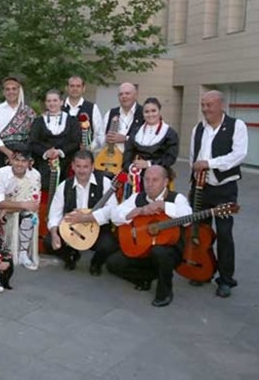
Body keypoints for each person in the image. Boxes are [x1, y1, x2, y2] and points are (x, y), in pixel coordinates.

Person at [106, 165, 192, 307]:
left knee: (159, 251)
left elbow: (188, 218)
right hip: (144, 247)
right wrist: (137, 211)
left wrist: (164, 205)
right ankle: (145, 278)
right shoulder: (137, 197)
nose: (150, 184)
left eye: (155, 180)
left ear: (165, 182)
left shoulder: (176, 198)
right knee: (113, 263)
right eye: (147, 180)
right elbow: (115, 216)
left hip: (169, 250)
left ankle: (165, 292)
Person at [190, 90, 248, 298]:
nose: (205, 109)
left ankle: (225, 279)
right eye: (203, 105)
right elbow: (193, 157)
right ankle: (203, 270)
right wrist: (196, 172)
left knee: (224, 234)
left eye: (209, 105)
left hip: (224, 189)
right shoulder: (198, 128)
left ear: (221, 105)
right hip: (200, 188)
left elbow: (239, 155)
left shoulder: (236, 125)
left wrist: (210, 164)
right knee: (199, 232)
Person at [45, 150, 119, 274]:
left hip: (96, 229)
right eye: (78, 166)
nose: (82, 170)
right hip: (72, 229)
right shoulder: (64, 186)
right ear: (73, 166)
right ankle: (70, 255)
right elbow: (54, 213)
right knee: (48, 242)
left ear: (92, 167)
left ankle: (96, 263)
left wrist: (88, 217)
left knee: (109, 245)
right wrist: (54, 233)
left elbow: (113, 209)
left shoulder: (105, 182)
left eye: (86, 166)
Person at [0, 147, 41, 269]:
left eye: (24, 161)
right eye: (16, 160)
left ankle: (23, 253)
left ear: (30, 162)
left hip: (13, 208)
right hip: (1, 210)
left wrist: (8, 208)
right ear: (10, 160)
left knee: (30, 216)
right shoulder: (1, 173)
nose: (19, 164)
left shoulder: (35, 175)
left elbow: (33, 204)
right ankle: (4, 250)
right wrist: (21, 205)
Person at [123, 97, 179, 195]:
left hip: (158, 179)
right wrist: (130, 168)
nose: (150, 114)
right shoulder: (136, 131)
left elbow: (170, 158)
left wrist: (149, 164)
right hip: (136, 179)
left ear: (159, 111)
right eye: (147, 112)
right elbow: (128, 153)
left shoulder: (170, 133)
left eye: (153, 111)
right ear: (143, 114)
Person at [29, 89, 81, 190]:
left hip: (66, 165)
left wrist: (60, 152)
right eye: (49, 101)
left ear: (61, 102)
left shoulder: (72, 121)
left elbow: (76, 142)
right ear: (45, 103)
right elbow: (32, 142)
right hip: (43, 166)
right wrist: (46, 152)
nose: (52, 103)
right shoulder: (38, 121)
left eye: (55, 100)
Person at [0, 77, 36, 178]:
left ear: (19, 90)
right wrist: (9, 153)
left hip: (23, 156)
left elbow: (33, 136)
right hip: (1, 154)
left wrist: (20, 155)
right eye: (8, 89)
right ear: (3, 92)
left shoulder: (28, 112)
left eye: (14, 89)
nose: (11, 92)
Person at [62, 75, 104, 151]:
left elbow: (100, 135)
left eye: (78, 86)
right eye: (72, 86)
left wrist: (89, 147)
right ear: (67, 88)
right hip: (61, 156)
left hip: (83, 157)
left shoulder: (93, 108)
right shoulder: (59, 107)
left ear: (83, 88)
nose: (75, 89)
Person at [103, 82, 143, 153]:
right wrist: (105, 138)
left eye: (127, 93)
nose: (124, 96)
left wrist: (125, 138)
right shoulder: (110, 113)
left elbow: (148, 139)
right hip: (111, 159)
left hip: (135, 160)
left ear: (135, 95)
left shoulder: (144, 113)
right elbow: (100, 136)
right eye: (121, 94)